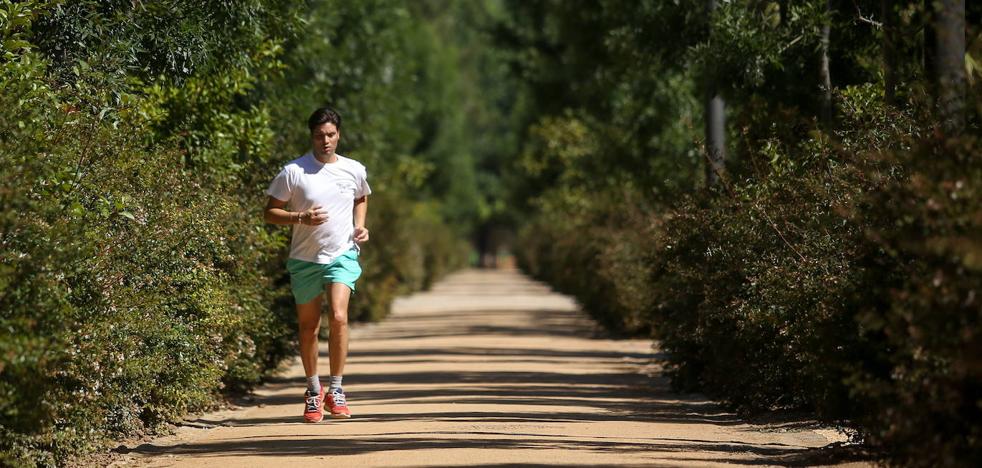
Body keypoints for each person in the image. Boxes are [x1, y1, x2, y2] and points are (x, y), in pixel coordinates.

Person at [263, 107, 371, 423]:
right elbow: (270, 212)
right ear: (311, 136)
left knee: (338, 316)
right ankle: (313, 391)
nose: (325, 141)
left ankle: (336, 390)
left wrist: (359, 226)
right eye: (319, 135)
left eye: (331, 135)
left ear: (339, 135)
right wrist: (300, 217)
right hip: (305, 259)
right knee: (309, 327)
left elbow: (362, 196)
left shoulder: (353, 169)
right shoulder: (294, 172)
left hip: (342, 254)